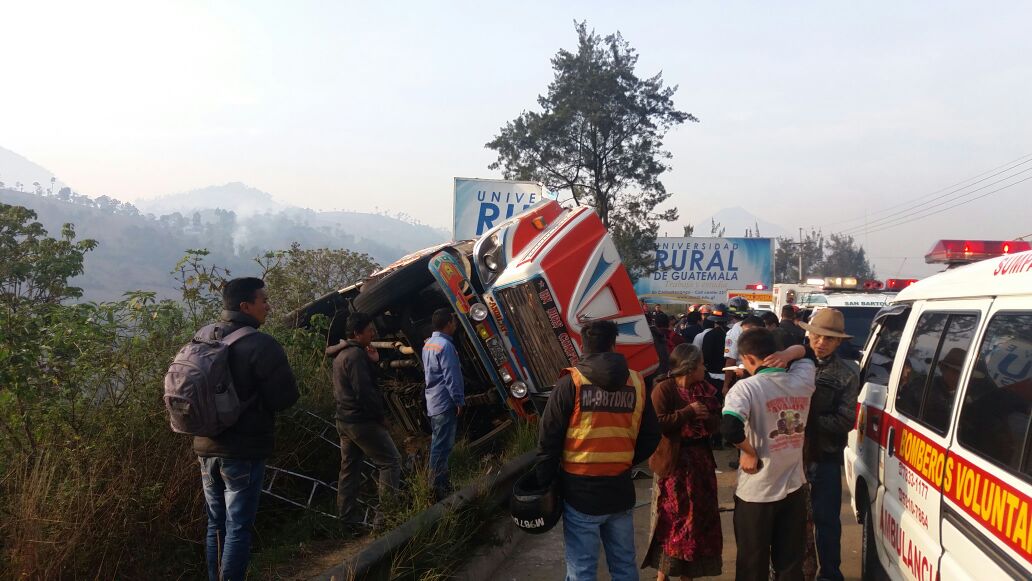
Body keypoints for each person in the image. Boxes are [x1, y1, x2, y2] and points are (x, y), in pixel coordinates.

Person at [536, 320, 661, 581]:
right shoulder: (637, 382)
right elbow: (651, 435)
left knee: (582, 570)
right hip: (620, 489)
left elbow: (549, 438)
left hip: (580, 492)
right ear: (614, 345)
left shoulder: (571, 382)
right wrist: (625, 458)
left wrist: (544, 481)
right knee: (625, 566)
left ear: (583, 346)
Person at [195, 277, 299, 581]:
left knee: (216, 523)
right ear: (245, 306)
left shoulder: (203, 336)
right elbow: (285, 398)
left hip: (205, 445)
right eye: (263, 300)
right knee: (238, 526)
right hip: (242, 451)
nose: (268, 306)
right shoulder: (260, 344)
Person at [722, 329, 816, 581]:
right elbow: (807, 354)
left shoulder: (746, 388)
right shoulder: (802, 380)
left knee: (752, 563)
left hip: (757, 490)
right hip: (794, 487)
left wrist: (749, 452)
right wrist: (788, 353)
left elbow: (729, 426)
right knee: (789, 563)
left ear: (749, 358)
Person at [642, 344, 723, 580]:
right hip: (675, 466)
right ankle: (663, 574)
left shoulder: (703, 389)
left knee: (697, 521)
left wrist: (709, 419)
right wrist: (687, 412)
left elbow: (716, 425)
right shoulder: (664, 389)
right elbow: (656, 424)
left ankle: (688, 573)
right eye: (701, 364)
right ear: (690, 367)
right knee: (673, 520)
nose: (704, 368)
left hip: (700, 465)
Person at [798, 309, 860, 581]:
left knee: (827, 522)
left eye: (829, 339)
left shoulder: (847, 373)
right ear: (809, 334)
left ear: (838, 343)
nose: (821, 342)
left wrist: (805, 422)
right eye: (817, 336)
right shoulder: (793, 363)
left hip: (825, 457)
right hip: (789, 457)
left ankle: (830, 574)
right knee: (790, 523)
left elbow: (845, 420)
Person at [327, 312, 402, 528]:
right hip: (362, 421)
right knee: (390, 462)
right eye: (369, 329)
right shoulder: (356, 356)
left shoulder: (341, 356)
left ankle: (346, 519)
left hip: (344, 420)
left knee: (349, 468)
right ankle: (386, 519)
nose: (372, 332)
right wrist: (381, 418)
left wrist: (374, 362)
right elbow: (365, 392)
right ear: (357, 333)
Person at [422, 308, 465, 501]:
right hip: (445, 402)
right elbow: (451, 377)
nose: (455, 325)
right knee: (442, 446)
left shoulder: (428, 344)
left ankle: (442, 485)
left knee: (439, 444)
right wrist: (458, 400)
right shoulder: (446, 346)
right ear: (448, 324)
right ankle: (436, 488)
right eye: (453, 322)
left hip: (433, 401)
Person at [722, 297, 752, 395]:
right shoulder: (757, 325)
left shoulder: (734, 331)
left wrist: (726, 385)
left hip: (742, 376)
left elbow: (731, 360)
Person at [652, 311, 672, 377]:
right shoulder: (676, 337)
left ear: (655, 324)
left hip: (655, 375)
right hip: (672, 374)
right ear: (669, 323)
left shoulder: (649, 340)